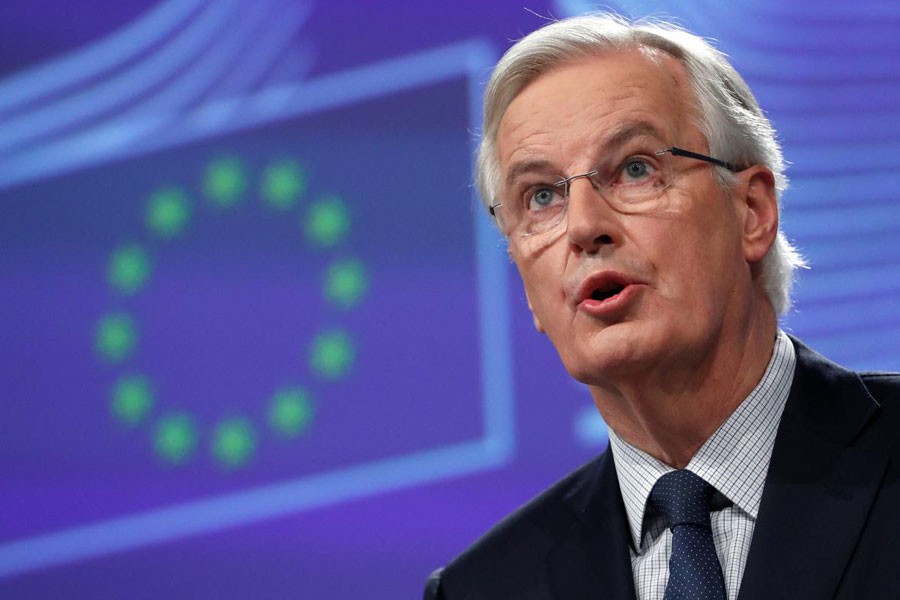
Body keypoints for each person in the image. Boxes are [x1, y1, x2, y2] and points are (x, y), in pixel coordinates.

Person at [424, 12, 900, 600]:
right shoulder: (484, 590)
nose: (584, 228)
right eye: (541, 197)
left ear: (751, 213)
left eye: (635, 169)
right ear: (528, 288)